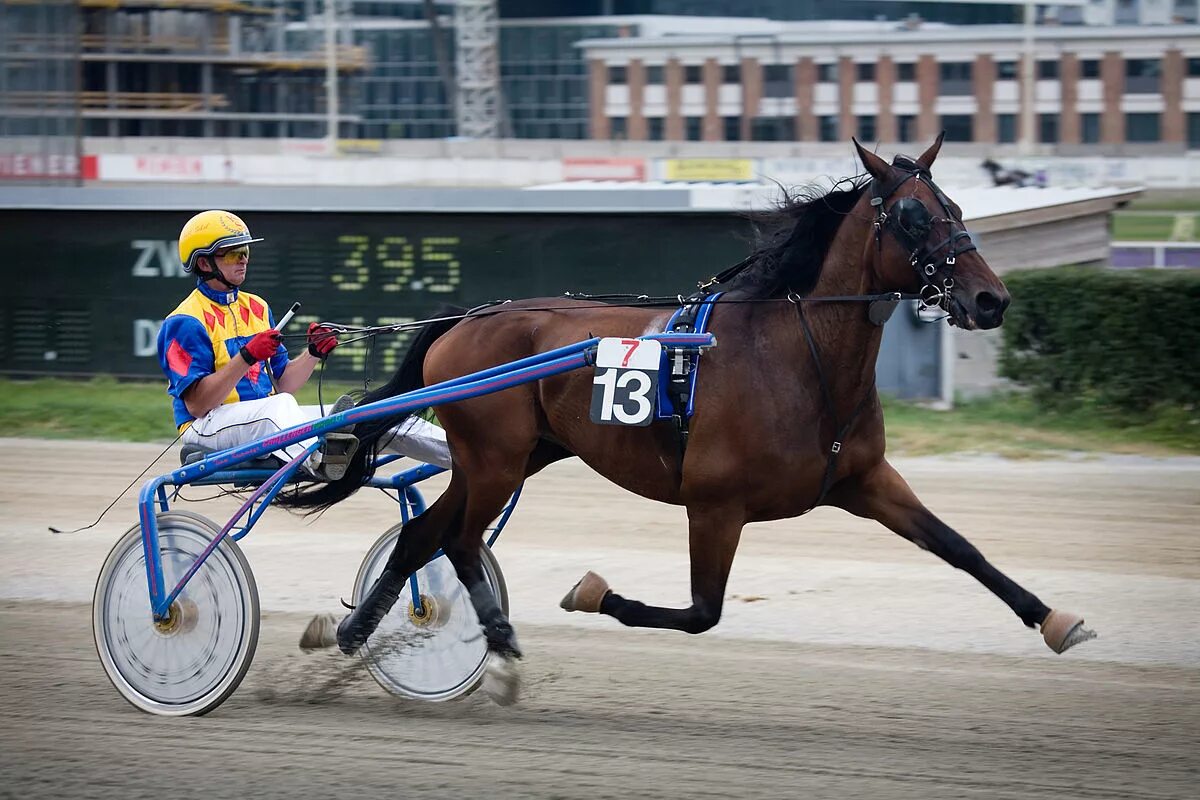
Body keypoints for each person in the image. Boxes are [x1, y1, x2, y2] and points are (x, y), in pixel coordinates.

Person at [156, 209, 450, 476]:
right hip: (207, 427)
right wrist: (246, 357)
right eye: (232, 253)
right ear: (204, 263)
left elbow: (283, 383)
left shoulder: (257, 307)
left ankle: (470, 454)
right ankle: (319, 460)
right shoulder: (185, 321)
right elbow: (197, 405)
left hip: (264, 419)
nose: (243, 258)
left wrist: (312, 353)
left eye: (244, 251)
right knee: (279, 406)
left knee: (373, 415)